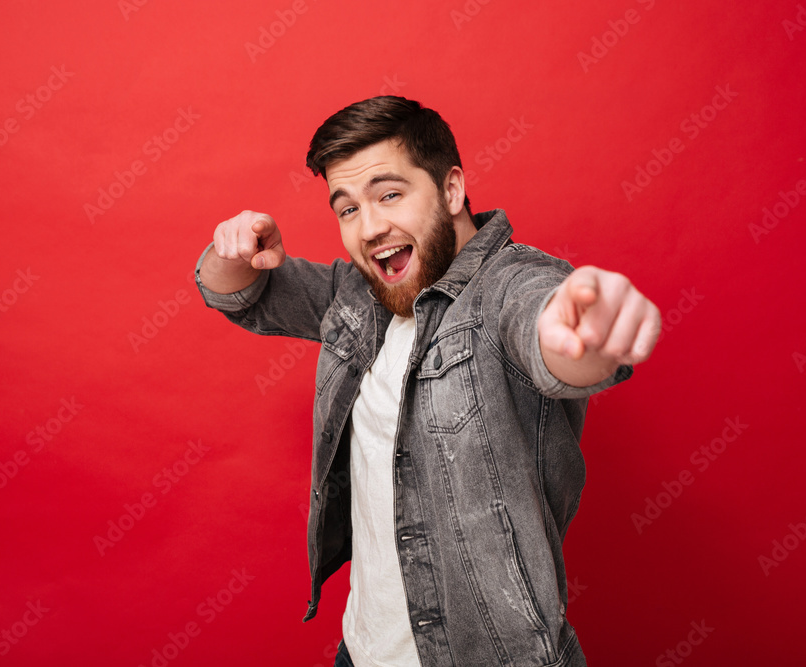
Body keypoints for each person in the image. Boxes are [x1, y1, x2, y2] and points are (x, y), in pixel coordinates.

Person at [194, 96, 661, 666]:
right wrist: (234, 248)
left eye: (390, 194)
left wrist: (590, 336)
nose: (370, 227)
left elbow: (545, 331)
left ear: (452, 190)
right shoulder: (357, 297)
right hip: (362, 652)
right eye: (347, 209)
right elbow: (235, 293)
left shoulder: (508, 287)